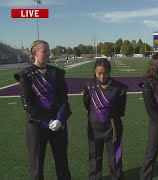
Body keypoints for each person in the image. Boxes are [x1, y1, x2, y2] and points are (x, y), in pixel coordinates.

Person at [14, 40, 72, 180]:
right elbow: (27, 104)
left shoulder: (57, 73)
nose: (48, 54)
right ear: (35, 54)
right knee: (36, 165)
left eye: (48, 50)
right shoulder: (26, 74)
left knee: (62, 162)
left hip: (57, 123)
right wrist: (47, 121)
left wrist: (59, 119)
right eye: (44, 51)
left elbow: (64, 101)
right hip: (36, 124)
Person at [82, 58, 128, 180]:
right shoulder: (89, 85)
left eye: (105, 73)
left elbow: (121, 109)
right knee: (94, 156)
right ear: (95, 72)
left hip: (113, 128)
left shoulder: (120, 88)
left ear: (110, 71)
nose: (102, 76)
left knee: (115, 156)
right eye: (99, 73)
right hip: (94, 127)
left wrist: (109, 116)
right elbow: (87, 104)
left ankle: (116, 177)